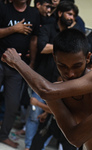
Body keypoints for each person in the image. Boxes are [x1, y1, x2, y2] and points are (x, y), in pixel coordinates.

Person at [1, 28, 92, 150]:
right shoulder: (56, 93)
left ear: (88, 57)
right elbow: (76, 139)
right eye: (63, 66)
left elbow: (46, 90)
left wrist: (17, 63)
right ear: (54, 59)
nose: (70, 73)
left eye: (77, 66)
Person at [24, 1, 81, 150]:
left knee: (50, 116)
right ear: (60, 13)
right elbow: (42, 47)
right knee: (34, 115)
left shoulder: (70, 35)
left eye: (73, 16)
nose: (71, 18)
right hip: (42, 77)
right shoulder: (48, 29)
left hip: (59, 81)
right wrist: (63, 46)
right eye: (69, 14)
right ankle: (29, 146)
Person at [0, 0, 40, 148]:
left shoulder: (33, 13)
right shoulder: (4, 8)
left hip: (17, 67)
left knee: (13, 104)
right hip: (0, 61)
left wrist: (31, 63)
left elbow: (34, 39)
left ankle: (3, 135)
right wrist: (14, 29)